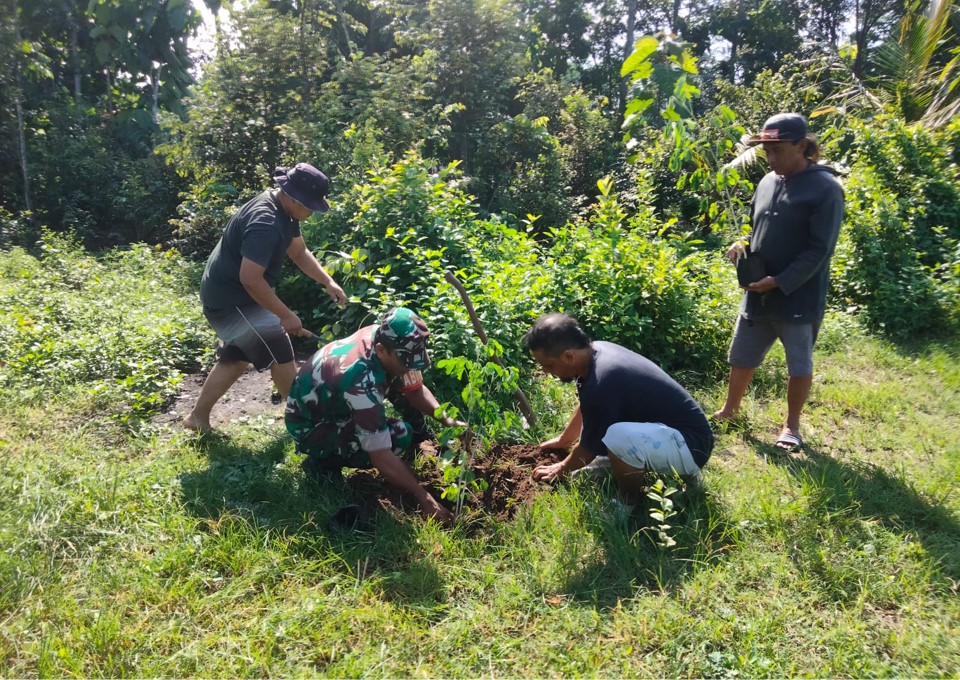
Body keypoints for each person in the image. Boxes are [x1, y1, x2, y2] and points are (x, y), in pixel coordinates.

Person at [712, 113, 845, 452]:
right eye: (767, 151)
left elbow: (820, 249)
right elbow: (757, 228)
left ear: (802, 146)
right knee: (742, 355)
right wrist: (743, 243)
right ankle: (730, 410)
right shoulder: (768, 182)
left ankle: (792, 425)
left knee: (798, 363)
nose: (771, 159)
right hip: (759, 295)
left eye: (778, 150)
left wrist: (780, 281)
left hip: (797, 297)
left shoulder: (825, 189)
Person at [183, 163, 348, 433]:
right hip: (230, 301)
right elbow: (250, 279)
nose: (312, 213)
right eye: (310, 207)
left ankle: (197, 417)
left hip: (236, 295)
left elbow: (299, 252)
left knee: (237, 357)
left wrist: (327, 281)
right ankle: (304, 420)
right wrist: (285, 316)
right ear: (294, 198)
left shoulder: (284, 211)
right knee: (279, 347)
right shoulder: (266, 222)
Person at [285, 307, 463, 524]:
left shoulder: (383, 337)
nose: (410, 367)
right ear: (381, 350)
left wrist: (446, 419)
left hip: (335, 403)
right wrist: (423, 497)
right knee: (398, 435)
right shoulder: (361, 378)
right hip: (311, 425)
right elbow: (380, 454)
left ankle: (421, 435)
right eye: (405, 361)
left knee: (401, 383)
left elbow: (415, 388)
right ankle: (322, 464)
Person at [524, 313, 714, 507]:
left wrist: (561, 468)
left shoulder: (603, 379)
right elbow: (588, 405)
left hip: (692, 445)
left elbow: (588, 448)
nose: (546, 371)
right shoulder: (597, 352)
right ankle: (686, 475)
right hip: (681, 435)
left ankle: (628, 502)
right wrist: (565, 440)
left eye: (548, 365)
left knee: (617, 438)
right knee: (607, 443)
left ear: (568, 356)